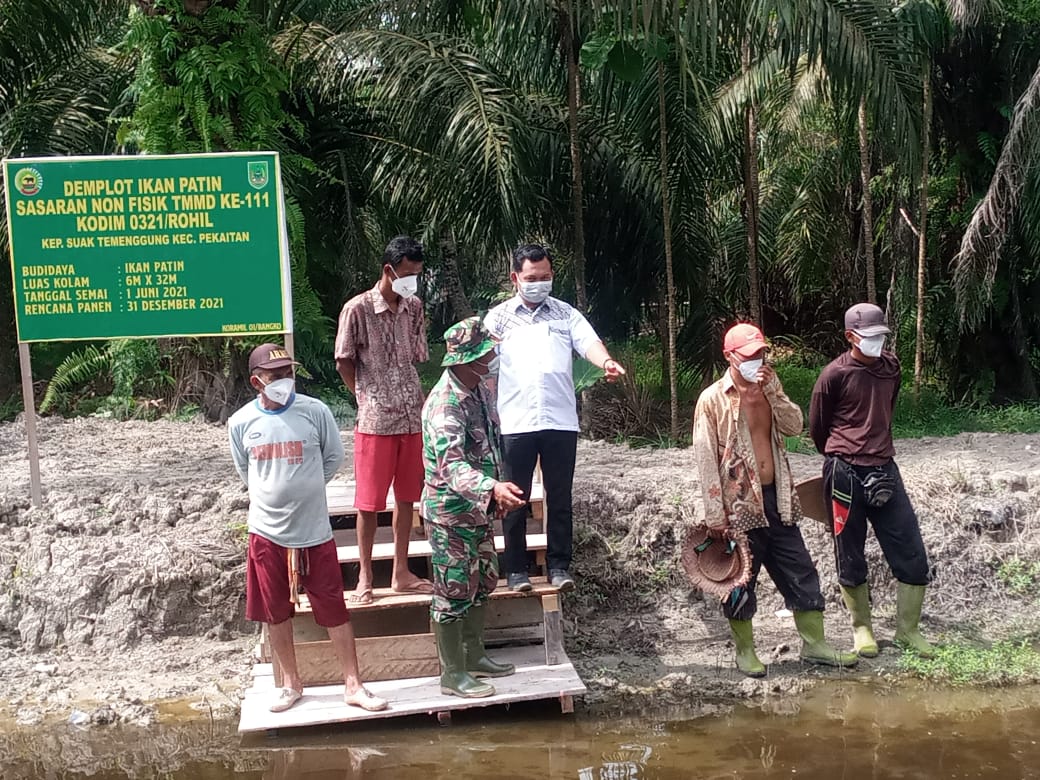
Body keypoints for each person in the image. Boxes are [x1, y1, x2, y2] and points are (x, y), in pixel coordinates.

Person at [229, 343, 387, 713]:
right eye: (275, 376)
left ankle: (353, 684)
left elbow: (333, 458)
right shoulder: (240, 423)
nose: (285, 381)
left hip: (314, 530)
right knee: (275, 610)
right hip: (266, 532)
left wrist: (306, 487)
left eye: (288, 373)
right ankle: (290, 684)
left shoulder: (315, 412)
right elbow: (246, 472)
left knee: (333, 606)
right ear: (257, 382)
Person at [692, 323, 857, 677]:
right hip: (738, 504)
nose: (757, 361)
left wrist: (774, 394)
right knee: (740, 580)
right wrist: (714, 513)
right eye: (749, 356)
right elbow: (705, 458)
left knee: (799, 567)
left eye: (761, 354)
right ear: (730, 357)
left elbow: (795, 425)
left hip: (778, 497)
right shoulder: (713, 399)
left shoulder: (770, 387)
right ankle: (746, 651)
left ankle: (815, 645)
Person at [484, 243, 626, 592]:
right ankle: (516, 570)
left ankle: (560, 566)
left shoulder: (565, 314)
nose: (539, 283)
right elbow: (482, 362)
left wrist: (605, 362)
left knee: (559, 496)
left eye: (545, 277)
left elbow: (588, 342)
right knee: (514, 497)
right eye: (532, 278)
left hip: (560, 421)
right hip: (515, 421)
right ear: (514, 278)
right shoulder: (498, 318)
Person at [809, 303, 935, 658]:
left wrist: (874, 444)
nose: (877, 343)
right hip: (844, 471)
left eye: (881, 336)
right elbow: (818, 428)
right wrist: (843, 452)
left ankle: (908, 630)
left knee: (910, 549)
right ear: (851, 337)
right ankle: (862, 629)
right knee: (849, 553)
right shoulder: (833, 375)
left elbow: (887, 407)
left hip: (884, 468)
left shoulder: (891, 368)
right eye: (870, 337)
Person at [421, 317, 526, 698]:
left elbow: (489, 443)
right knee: (453, 590)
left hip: (477, 510)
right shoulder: (444, 407)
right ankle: (452, 674)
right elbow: (451, 467)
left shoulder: (478, 389)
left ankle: (475, 655)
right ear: (465, 361)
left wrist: (495, 487)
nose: (492, 358)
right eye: (485, 354)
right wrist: (492, 487)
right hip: (450, 514)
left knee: (482, 581)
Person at [335, 236, 432, 604]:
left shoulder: (415, 306)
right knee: (368, 503)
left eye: (418, 274)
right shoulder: (357, 309)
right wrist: (362, 394)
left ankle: (401, 571)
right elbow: (343, 359)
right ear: (389, 270)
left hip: (412, 415)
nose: (413, 281)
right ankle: (364, 575)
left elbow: (418, 355)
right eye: (408, 274)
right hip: (375, 419)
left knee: (407, 498)